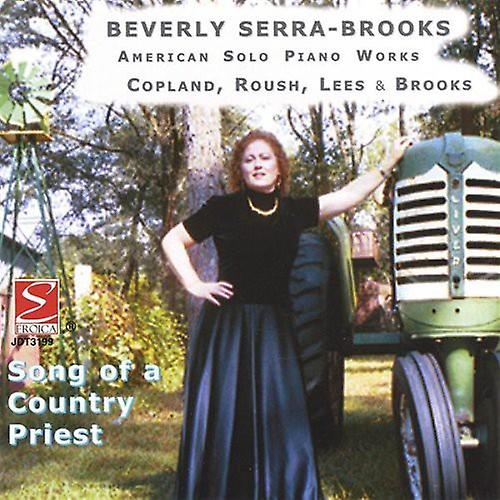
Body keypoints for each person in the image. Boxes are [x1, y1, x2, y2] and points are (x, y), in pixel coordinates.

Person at [162, 130, 412, 499]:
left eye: (264, 158)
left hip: (274, 330)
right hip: (228, 330)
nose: (257, 164)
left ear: (279, 167)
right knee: (230, 413)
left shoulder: (294, 212)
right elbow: (172, 240)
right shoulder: (222, 208)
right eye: (249, 159)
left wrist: (387, 164)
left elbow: (348, 196)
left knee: (281, 414)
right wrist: (195, 284)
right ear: (240, 170)